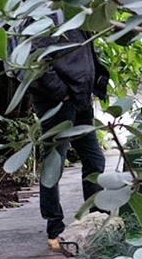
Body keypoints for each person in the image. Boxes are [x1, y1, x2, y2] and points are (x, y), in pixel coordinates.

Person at [30, 25, 110, 244]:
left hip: (80, 99)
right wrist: (60, 92)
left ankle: (97, 222)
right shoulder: (47, 18)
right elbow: (35, 58)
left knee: (95, 160)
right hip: (58, 103)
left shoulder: (76, 17)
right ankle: (54, 228)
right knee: (53, 164)